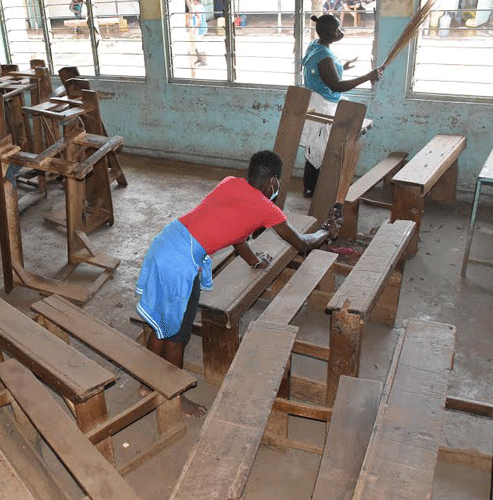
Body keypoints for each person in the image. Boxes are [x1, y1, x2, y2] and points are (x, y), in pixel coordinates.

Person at [135, 151, 340, 417]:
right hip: (179, 263)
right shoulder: (266, 207)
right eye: (278, 183)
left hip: (166, 242)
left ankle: (145, 384)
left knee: (161, 324)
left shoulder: (230, 183)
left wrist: (254, 261)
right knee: (177, 337)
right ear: (273, 182)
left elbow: (235, 233)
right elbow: (302, 243)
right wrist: (327, 230)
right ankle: (175, 397)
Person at [300, 14, 384, 198]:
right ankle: (313, 189)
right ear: (325, 32)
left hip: (319, 98)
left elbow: (322, 73)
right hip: (321, 103)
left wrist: (342, 68)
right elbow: (335, 85)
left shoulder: (317, 45)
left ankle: (310, 187)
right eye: (337, 30)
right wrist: (367, 77)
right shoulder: (324, 57)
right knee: (319, 149)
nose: (341, 32)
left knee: (316, 148)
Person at [187, 0, 207, 67]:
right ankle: (199, 59)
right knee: (197, 44)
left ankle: (203, 60)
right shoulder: (200, 6)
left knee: (199, 45)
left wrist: (195, 29)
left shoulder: (198, 8)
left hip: (200, 28)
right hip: (201, 27)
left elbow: (199, 20)